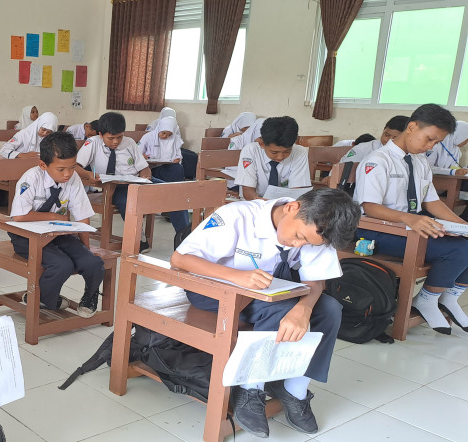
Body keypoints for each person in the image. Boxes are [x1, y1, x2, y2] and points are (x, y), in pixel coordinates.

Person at [172, 188, 358, 438]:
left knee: (329, 309)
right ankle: (250, 388)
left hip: (268, 291)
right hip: (214, 289)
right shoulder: (237, 216)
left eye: (305, 243)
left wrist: (303, 310)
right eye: (298, 237)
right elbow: (180, 259)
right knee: (280, 307)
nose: (298, 245)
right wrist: (236, 276)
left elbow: (315, 282)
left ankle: (295, 390)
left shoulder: (319, 229)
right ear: (292, 208)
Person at [354, 104, 468, 334]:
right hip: (379, 230)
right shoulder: (378, 160)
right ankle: (427, 299)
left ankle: (449, 297)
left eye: (436, 142)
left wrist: (463, 225)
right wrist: (409, 219)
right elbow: (370, 207)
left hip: (410, 225)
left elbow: (432, 202)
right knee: (457, 250)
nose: (430, 146)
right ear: (412, 127)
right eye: (429, 139)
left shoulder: (419, 160)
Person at [10, 132, 104, 315]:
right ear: (43, 165)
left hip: (58, 234)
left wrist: (85, 249)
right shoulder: (31, 178)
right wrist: (53, 216)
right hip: (27, 237)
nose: (68, 174)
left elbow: (83, 216)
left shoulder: (73, 178)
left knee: (92, 262)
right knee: (62, 265)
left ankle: (90, 295)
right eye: (61, 169)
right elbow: (19, 216)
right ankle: (43, 298)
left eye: (72, 167)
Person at [76, 112, 191, 253]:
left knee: (174, 193)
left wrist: (145, 176)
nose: (115, 142)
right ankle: (139, 239)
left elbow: (144, 167)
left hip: (137, 181)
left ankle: (185, 239)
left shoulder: (129, 142)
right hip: (114, 186)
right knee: (127, 201)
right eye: (111, 138)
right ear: (100, 134)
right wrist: (88, 174)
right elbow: (75, 166)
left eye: (119, 137)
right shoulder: (92, 143)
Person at [235, 116, 310, 200]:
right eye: (274, 152)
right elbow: (247, 190)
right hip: (254, 202)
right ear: (262, 144)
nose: (280, 157)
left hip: (285, 204)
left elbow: (296, 191)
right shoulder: (251, 151)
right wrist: (261, 202)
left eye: (287, 151)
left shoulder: (300, 152)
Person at [340, 115, 409, 164]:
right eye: (386, 135)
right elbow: (340, 169)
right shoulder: (363, 149)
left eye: (395, 137)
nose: (388, 140)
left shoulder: (411, 152)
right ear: (383, 130)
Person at [138, 116, 184, 183]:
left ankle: (174, 188)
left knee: (178, 168)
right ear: (159, 128)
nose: (166, 136)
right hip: (152, 167)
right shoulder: (148, 137)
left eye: (169, 134)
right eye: (163, 133)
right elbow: (137, 152)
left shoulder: (175, 139)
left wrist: (177, 159)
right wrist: (142, 155)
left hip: (168, 166)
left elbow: (178, 155)